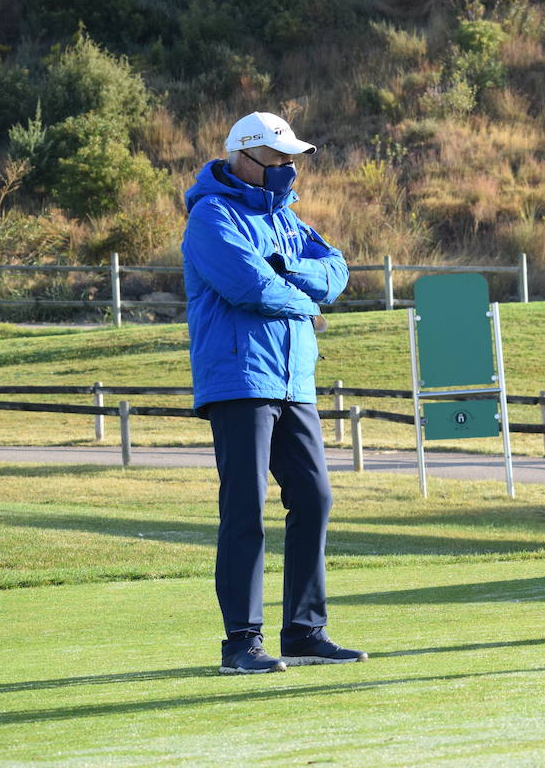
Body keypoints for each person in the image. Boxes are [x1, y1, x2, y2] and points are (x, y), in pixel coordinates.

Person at [183, 111, 368, 674]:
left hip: (294, 380)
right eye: (280, 157)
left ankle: (304, 632)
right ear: (245, 155)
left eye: (293, 158)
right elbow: (249, 286)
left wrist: (291, 269)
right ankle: (241, 641)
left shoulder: (287, 218)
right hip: (239, 379)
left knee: (314, 497)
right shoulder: (211, 216)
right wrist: (306, 300)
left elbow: (335, 270)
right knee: (244, 506)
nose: (290, 168)